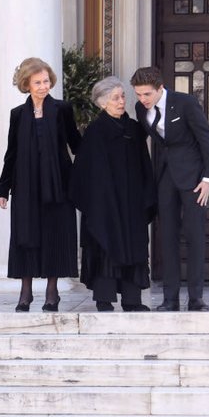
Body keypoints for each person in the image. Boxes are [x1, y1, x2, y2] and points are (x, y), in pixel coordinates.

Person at [0, 57, 81, 312]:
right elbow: (11, 153)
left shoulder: (63, 109)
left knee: (55, 235)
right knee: (26, 235)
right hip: (26, 187)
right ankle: (25, 293)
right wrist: (3, 190)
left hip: (58, 186)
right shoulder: (18, 114)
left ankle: (52, 293)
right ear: (26, 84)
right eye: (37, 82)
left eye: (46, 81)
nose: (43, 86)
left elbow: (76, 144)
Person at [131, 66, 209, 312]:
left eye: (147, 94)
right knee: (167, 237)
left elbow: (207, 139)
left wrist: (208, 179)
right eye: (138, 94)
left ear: (160, 88)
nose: (142, 100)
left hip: (194, 179)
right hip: (165, 177)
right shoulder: (140, 109)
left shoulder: (185, 103)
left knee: (195, 236)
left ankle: (196, 298)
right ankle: (170, 299)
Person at [70, 76, 155, 312]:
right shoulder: (95, 132)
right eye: (115, 98)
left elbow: (144, 164)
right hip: (105, 205)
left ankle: (132, 300)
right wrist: (101, 201)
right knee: (106, 246)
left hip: (132, 202)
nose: (121, 101)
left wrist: (146, 195)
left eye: (122, 96)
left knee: (134, 245)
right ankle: (104, 299)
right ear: (102, 103)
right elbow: (86, 173)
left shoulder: (134, 129)